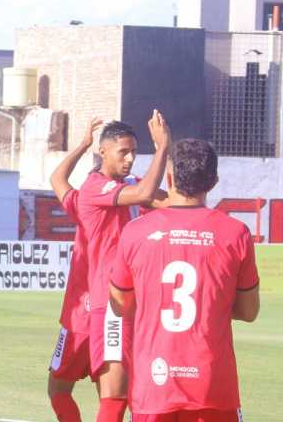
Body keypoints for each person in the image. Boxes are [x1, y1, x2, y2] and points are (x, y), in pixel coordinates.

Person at [109, 139, 260, 421]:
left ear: (169, 177)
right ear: (213, 182)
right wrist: (213, 305)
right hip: (213, 386)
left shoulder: (135, 231)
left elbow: (119, 305)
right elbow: (249, 312)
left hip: (153, 386)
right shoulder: (236, 233)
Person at [75, 112, 171, 422]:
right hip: (111, 303)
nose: (130, 158)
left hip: (140, 302)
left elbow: (171, 203)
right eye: (123, 152)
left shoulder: (129, 184)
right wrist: (163, 148)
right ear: (103, 151)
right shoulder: (94, 186)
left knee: (140, 393)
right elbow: (144, 195)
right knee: (114, 397)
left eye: (134, 152)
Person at [46, 117, 104, 422]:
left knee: (57, 389)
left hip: (81, 318)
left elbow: (57, 178)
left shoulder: (85, 202)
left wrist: (82, 144)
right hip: (120, 317)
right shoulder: (137, 204)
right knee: (112, 398)